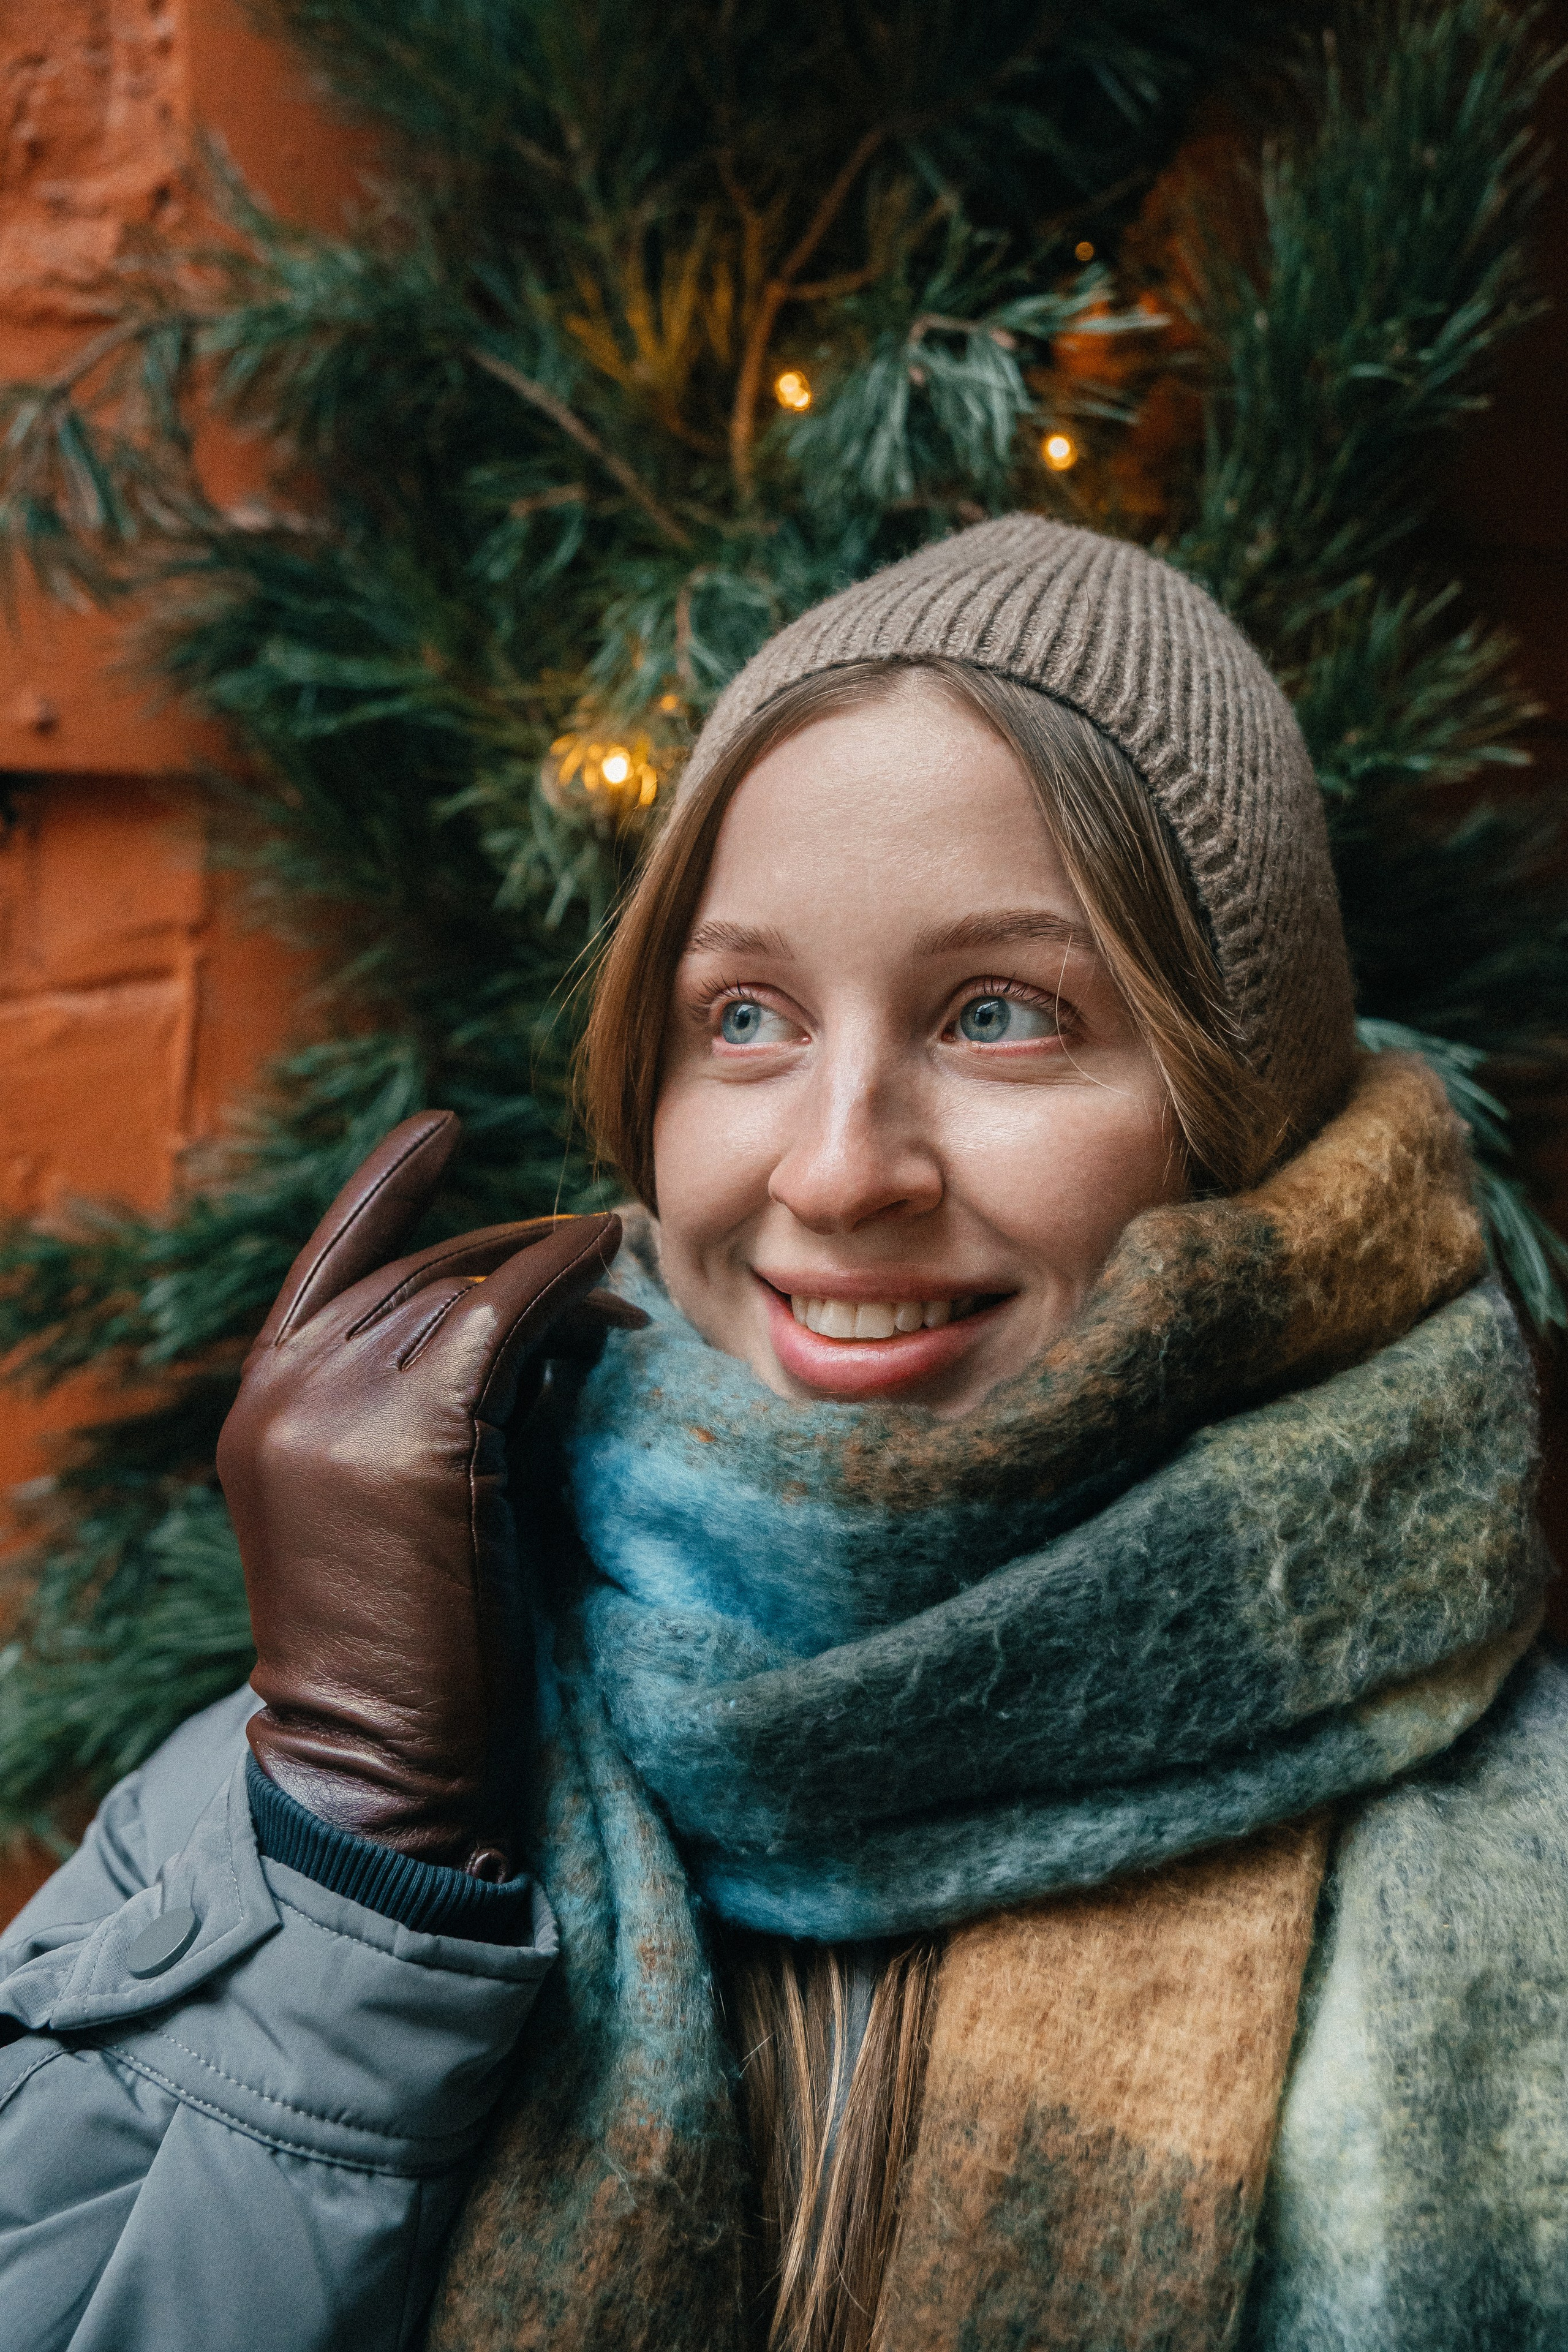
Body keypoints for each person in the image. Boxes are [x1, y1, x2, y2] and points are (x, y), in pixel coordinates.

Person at [1, 516, 1562, 2352]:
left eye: (1002, 1016)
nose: (833, 1170)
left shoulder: (1524, 1862)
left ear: (1240, 1107)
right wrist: (347, 1868)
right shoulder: (328, 1788)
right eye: (743, 1018)